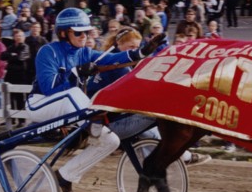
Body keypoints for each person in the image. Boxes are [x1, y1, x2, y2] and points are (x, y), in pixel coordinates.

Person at [25, 8, 164, 192]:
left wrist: (141, 52)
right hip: (40, 104)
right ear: (63, 33)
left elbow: (112, 58)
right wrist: (75, 72)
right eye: (78, 33)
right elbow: (49, 88)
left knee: (111, 141)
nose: (84, 36)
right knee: (74, 93)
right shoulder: (48, 52)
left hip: (69, 106)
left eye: (86, 32)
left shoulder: (84, 52)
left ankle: (66, 175)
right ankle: (92, 125)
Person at [86, 26, 210, 167]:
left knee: (148, 116)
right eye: (131, 47)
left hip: (107, 120)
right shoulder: (120, 67)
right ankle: (178, 156)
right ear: (119, 44)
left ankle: (170, 157)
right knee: (155, 114)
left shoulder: (114, 61)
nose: (135, 51)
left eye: (137, 47)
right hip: (107, 126)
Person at [0, 29, 32, 127]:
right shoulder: (11, 47)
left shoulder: (25, 47)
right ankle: (12, 119)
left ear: (24, 37)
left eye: (21, 36)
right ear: (14, 37)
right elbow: (2, 56)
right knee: (10, 98)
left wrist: (11, 57)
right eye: (17, 36)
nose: (19, 38)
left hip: (20, 75)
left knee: (19, 98)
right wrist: (12, 55)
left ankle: (21, 120)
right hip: (10, 75)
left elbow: (20, 58)